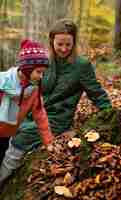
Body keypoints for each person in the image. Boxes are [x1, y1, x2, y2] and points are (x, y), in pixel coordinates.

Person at [0, 19, 112, 185]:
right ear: (51, 41)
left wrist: (109, 112)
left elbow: (97, 93)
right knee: (8, 130)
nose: (64, 49)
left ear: (74, 42)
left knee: (21, 138)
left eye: (68, 44)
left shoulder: (82, 65)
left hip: (57, 119)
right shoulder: (44, 62)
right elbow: (24, 81)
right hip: (33, 113)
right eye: (59, 44)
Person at [0, 39, 54, 184]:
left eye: (43, 73)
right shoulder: (2, 82)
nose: (41, 76)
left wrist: (49, 142)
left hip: (6, 136)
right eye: (39, 72)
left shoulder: (33, 92)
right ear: (27, 68)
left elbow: (41, 117)